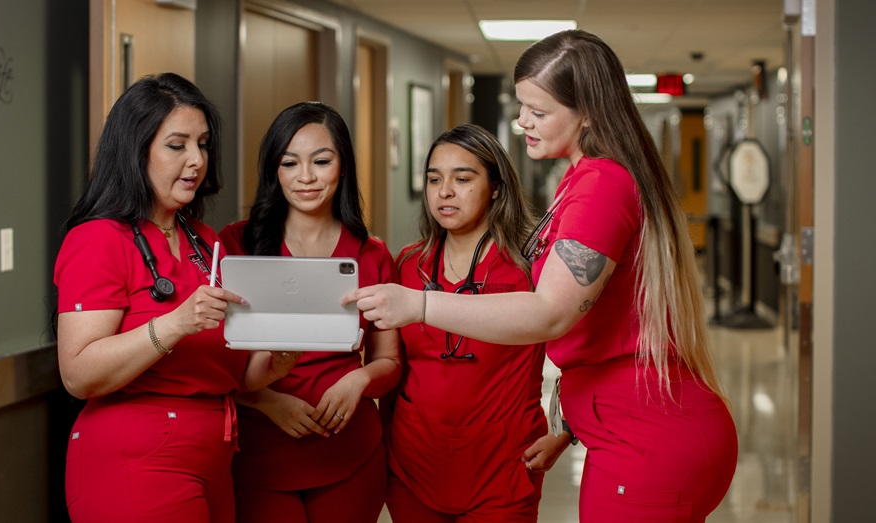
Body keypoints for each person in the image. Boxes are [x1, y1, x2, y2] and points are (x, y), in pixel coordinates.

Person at [345, 30, 738, 522]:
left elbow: (551, 312)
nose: (522, 121)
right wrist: (568, 424)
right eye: (522, 106)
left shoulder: (602, 184)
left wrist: (420, 304)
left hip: (646, 437)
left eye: (539, 111)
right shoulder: (585, 179)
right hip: (630, 428)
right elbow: (597, 322)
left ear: (587, 112)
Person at [53, 72, 299, 522]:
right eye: (177, 145)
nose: (196, 160)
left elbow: (231, 373)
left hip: (214, 456)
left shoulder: (205, 242)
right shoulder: (98, 239)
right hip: (136, 457)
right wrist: (176, 322)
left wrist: (278, 359)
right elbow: (79, 374)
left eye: (202, 144)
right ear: (136, 149)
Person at [218, 101, 401, 523]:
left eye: (321, 161)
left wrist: (359, 380)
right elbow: (212, 358)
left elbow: (389, 360)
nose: (306, 178)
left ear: (343, 166)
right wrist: (266, 401)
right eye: (290, 163)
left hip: (349, 449)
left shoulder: (371, 254)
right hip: (259, 449)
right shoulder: (236, 244)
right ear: (273, 170)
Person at [383, 123, 549, 522]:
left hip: (502, 467)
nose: (444, 192)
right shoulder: (408, 264)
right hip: (414, 464)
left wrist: (564, 429)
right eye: (434, 179)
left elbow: (585, 352)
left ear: (495, 186)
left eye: (463, 178)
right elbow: (393, 369)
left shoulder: (530, 268)